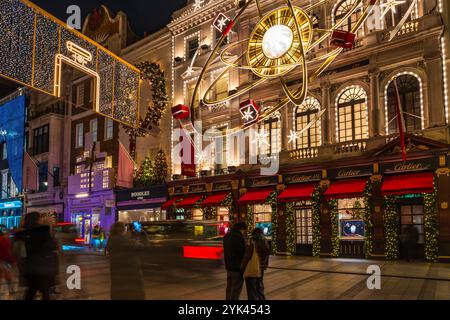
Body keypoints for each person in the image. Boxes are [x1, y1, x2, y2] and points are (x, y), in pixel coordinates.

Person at [14, 212, 58, 300]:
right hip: (42, 268)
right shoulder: (43, 231)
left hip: (30, 268)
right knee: (44, 292)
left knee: (31, 291)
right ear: (36, 219)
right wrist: (50, 227)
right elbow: (51, 247)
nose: (41, 219)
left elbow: (17, 247)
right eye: (40, 218)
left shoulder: (24, 232)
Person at [106, 222, 148, 300]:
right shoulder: (124, 241)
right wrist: (143, 234)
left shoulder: (111, 240)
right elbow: (143, 248)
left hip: (117, 273)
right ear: (122, 230)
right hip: (129, 276)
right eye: (126, 229)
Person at [241, 228, 270, 300]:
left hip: (252, 267)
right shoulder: (265, 241)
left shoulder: (252, 242)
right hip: (261, 267)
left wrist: (242, 266)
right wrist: (265, 265)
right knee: (260, 287)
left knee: (251, 289)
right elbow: (267, 254)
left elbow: (247, 256)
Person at [223, 222, 247, 300]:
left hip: (228, 266)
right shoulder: (239, 237)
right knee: (236, 288)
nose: (244, 233)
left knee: (229, 287)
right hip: (237, 268)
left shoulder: (226, 236)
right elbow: (242, 252)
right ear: (241, 229)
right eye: (244, 230)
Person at [0, 228, 15, 298]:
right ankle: (11, 291)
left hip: (1, 261)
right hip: (4, 261)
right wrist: (12, 260)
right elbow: (8, 252)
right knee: (8, 277)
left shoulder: (4, 240)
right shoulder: (5, 240)